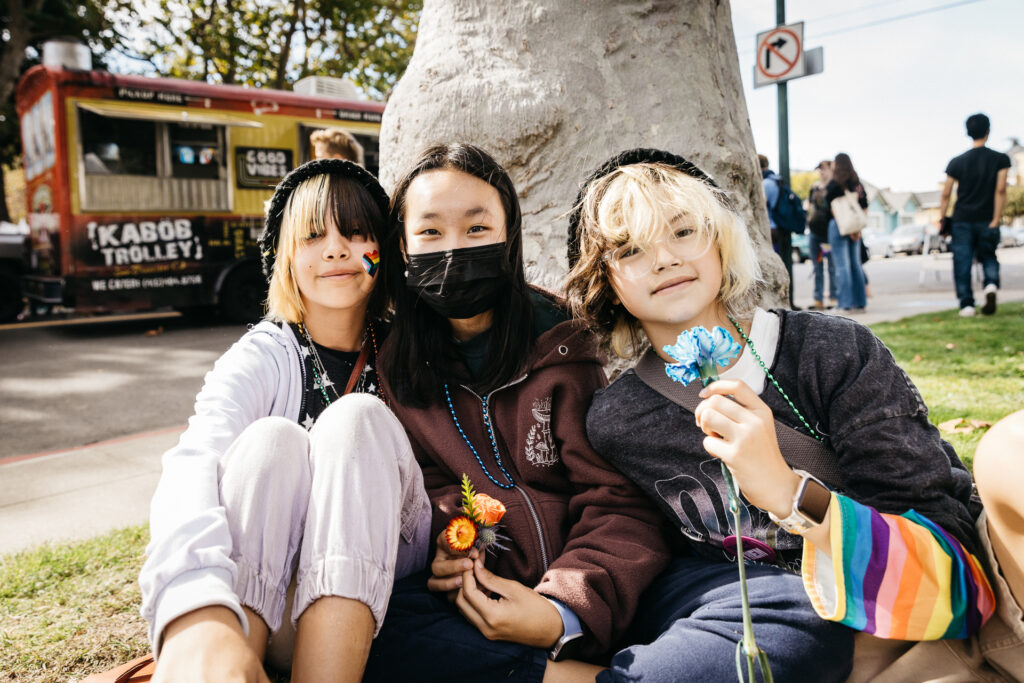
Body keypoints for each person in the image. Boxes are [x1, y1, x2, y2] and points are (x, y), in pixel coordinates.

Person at [564, 148, 996, 682]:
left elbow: (941, 540)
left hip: (878, 624)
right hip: (751, 630)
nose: (664, 259)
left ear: (720, 240)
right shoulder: (616, 421)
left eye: (683, 231)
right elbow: (641, 553)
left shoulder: (831, 353)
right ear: (604, 281)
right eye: (630, 249)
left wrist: (787, 492)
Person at [365, 143, 670, 682]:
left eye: (476, 228)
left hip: (593, 598)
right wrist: (449, 545)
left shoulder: (566, 345)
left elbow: (620, 503)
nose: (454, 249)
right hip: (476, 607)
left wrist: (561, 610)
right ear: (403, 248)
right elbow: (427, 491)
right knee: (375, 628)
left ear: (510, 237)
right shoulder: (395, 366)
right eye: (430, 232)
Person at [137, 159, 432, 683]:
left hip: (390, 578)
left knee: (357, 419)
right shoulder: (265, 355)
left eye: (357, 232)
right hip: (281, 594)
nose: (336, 249)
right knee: (270, 441)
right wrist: (194, 611)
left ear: (383, 249)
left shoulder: (414, 345)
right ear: (286, 256)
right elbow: (196, 459)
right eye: (313, 236)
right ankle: (232, 659)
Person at [938, 113, 1009, 317]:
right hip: (988, 218)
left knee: (962, 261)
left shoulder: (957, 162)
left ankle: (967, 305)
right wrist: (996, 219)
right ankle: (990, 285)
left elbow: (946, 194)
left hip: (962, 220)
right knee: (988, 256)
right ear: (988, 131)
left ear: (968, 132)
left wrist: (943, 219)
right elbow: (1001, 190)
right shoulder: (1000, 159)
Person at [826, 152, 869, 313]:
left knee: (842, 266)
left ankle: (845, 304)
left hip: (839, 226)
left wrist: (846, 226)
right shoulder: (858, 184)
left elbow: (831, 208)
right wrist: (857, 229)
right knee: (856, 265)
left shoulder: (834, 184)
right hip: (856, 227)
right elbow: (864, 206)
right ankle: (860, 303)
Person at [758, 153, 796, 309]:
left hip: (770, 228)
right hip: (780, 227)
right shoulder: (778, 180)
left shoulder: (765, 184)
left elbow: (760, 204)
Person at [806, 160, 837, 309]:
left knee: (831, 267)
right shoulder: (814, 188)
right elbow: (810, 206)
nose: (822, 172)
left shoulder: (834, 187)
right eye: (820, 169)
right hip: (814, 232)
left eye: (824, 169)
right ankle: (818, 299)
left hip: (827, 234)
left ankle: (834, 297)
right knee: (817, 267)